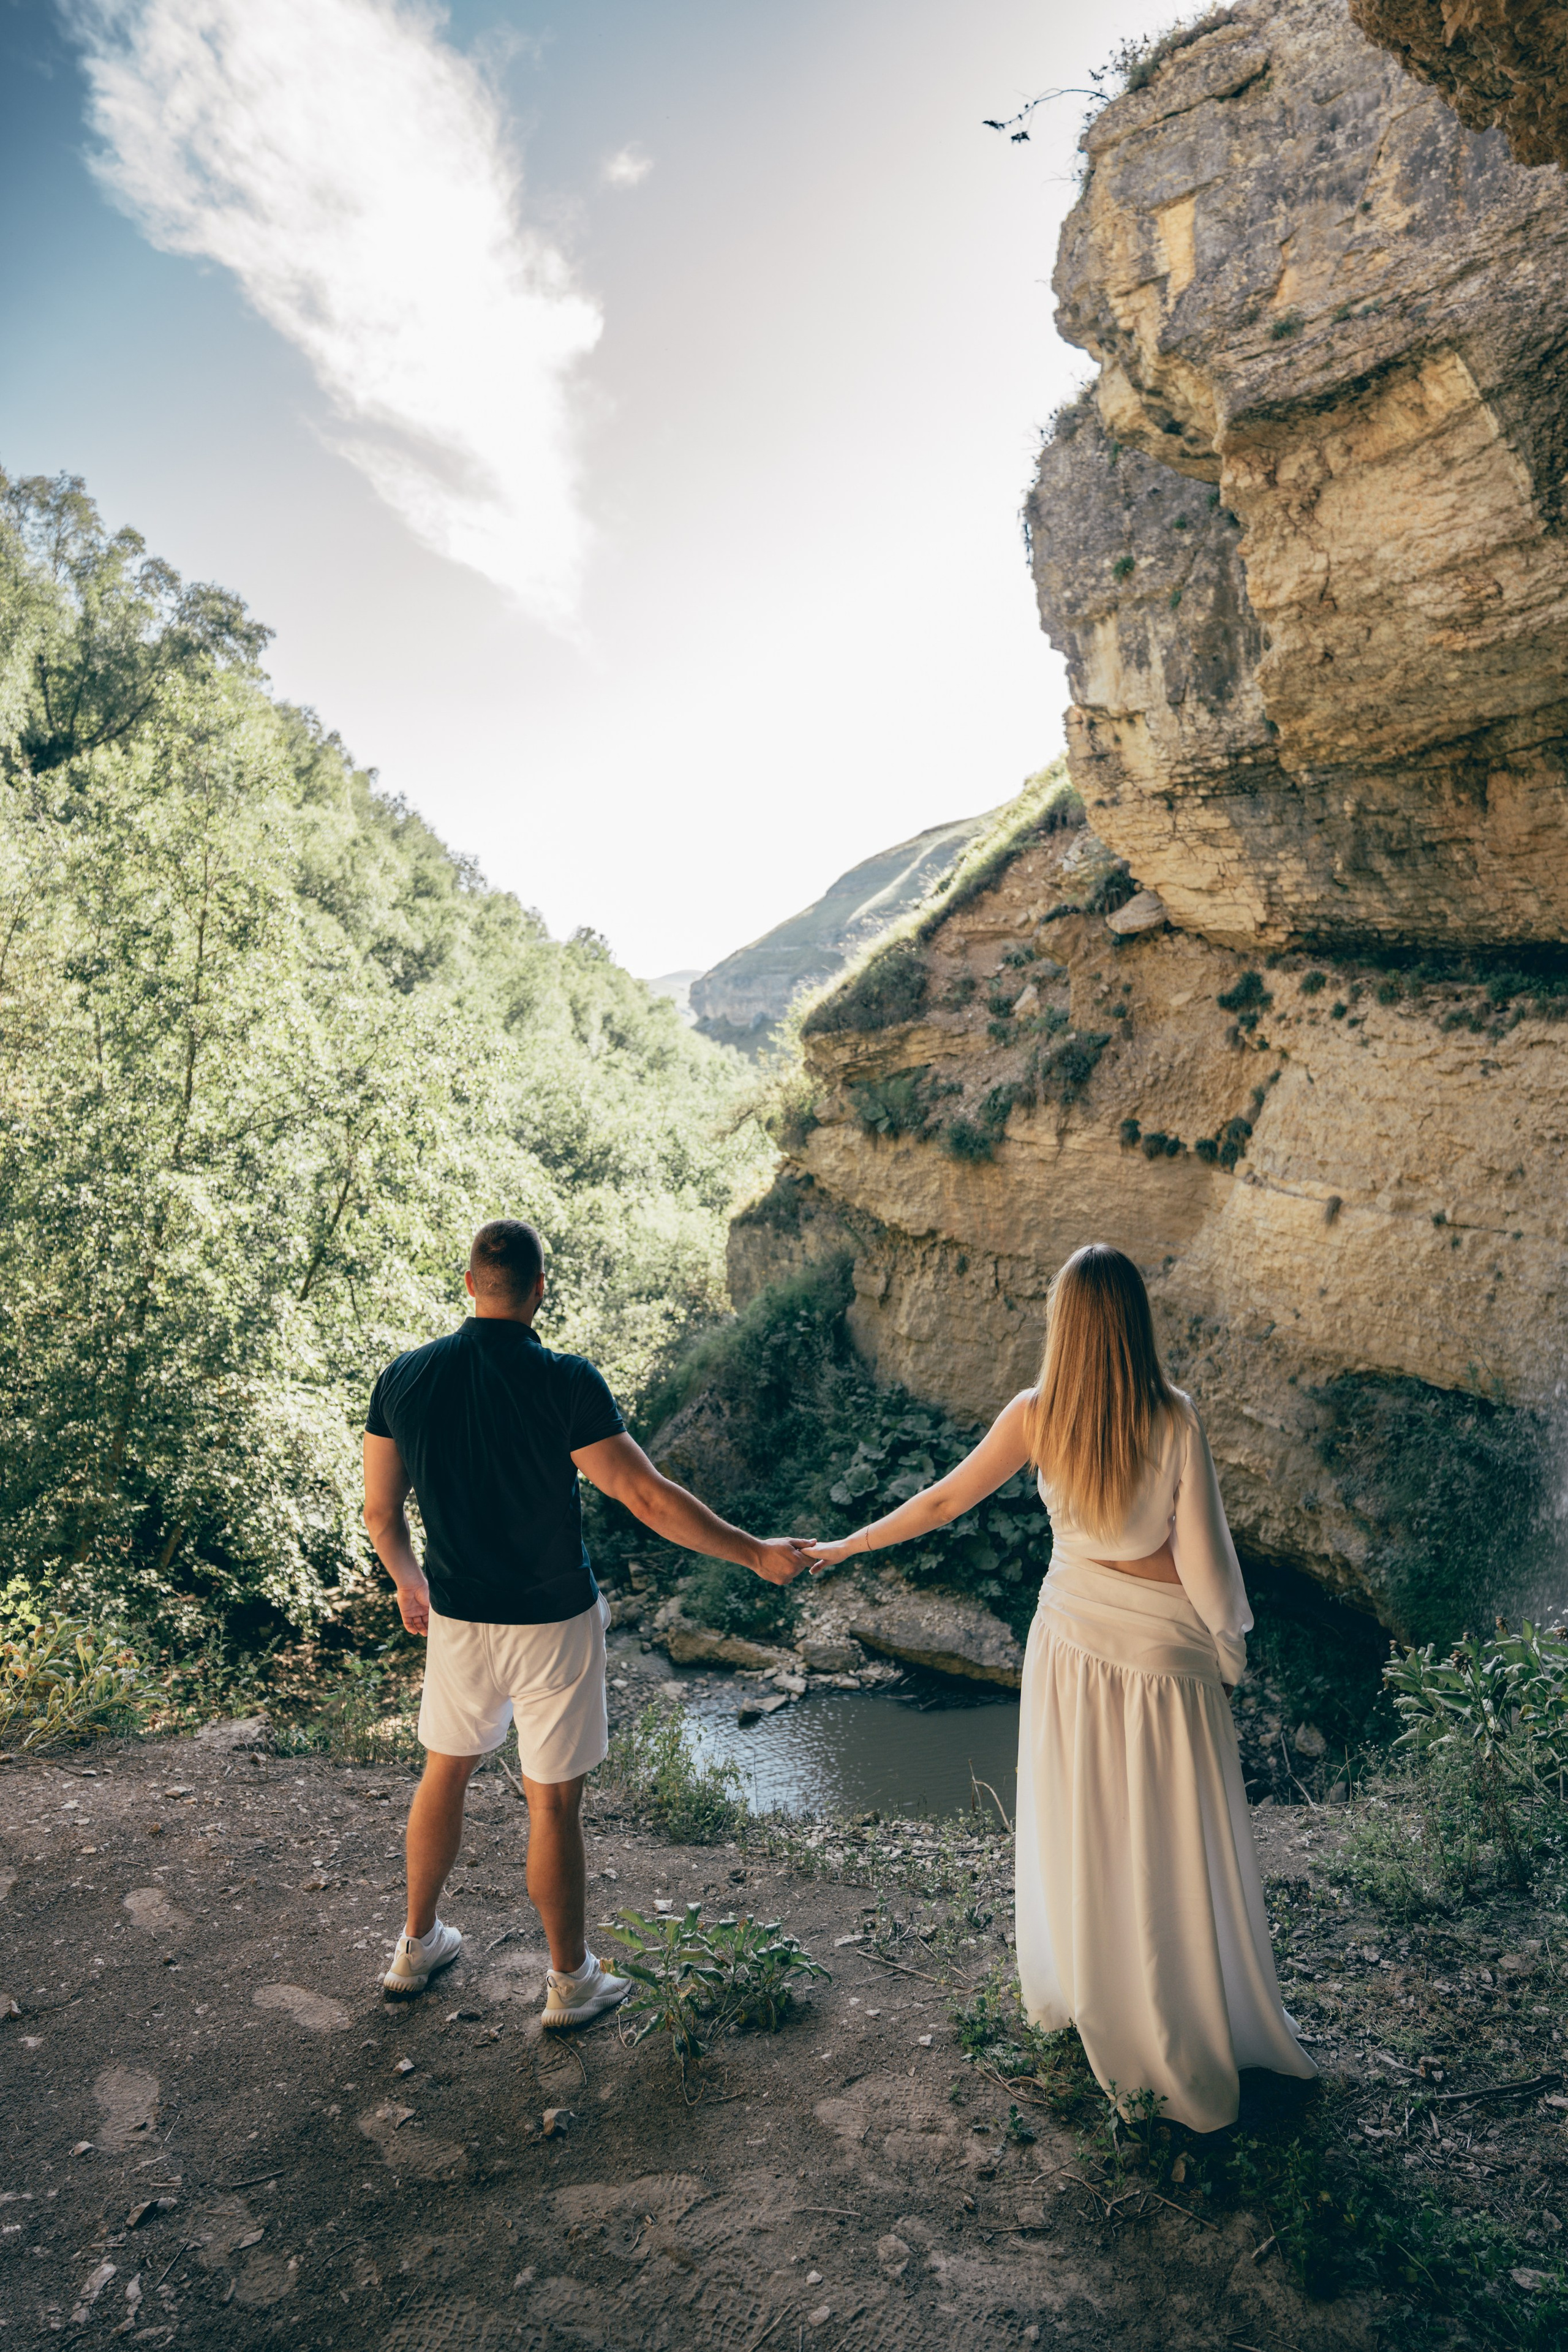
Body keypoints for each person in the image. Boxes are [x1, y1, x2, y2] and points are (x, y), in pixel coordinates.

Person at [804, 1242, 1316, 2133]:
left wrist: (846, 1546)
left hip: (1072, 1646)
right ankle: (1189, 2013)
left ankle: (1098, 1991)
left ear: (1064, 1326)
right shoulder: (1175, 1416)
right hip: (1164, 1660)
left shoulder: (1038, 1416)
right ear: (1135, 1321)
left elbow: (938, 1504)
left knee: (1090, 1827)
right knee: (1170, 1837)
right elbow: (1203, 1557)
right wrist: (1226, 1646)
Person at [363, 1217, 807, 2026]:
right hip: (555, 1624)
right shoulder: (566, 1380)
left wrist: (409, 1582)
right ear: (540, 1289)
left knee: (445, 1772)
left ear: (470, 1283)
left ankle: (416, 1943)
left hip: (459, 1620)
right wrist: (755, 1553)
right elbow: (644, 1498)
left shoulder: (404, 1377)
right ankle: (570, 1984)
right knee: (553, 1806)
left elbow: (379, 1511)